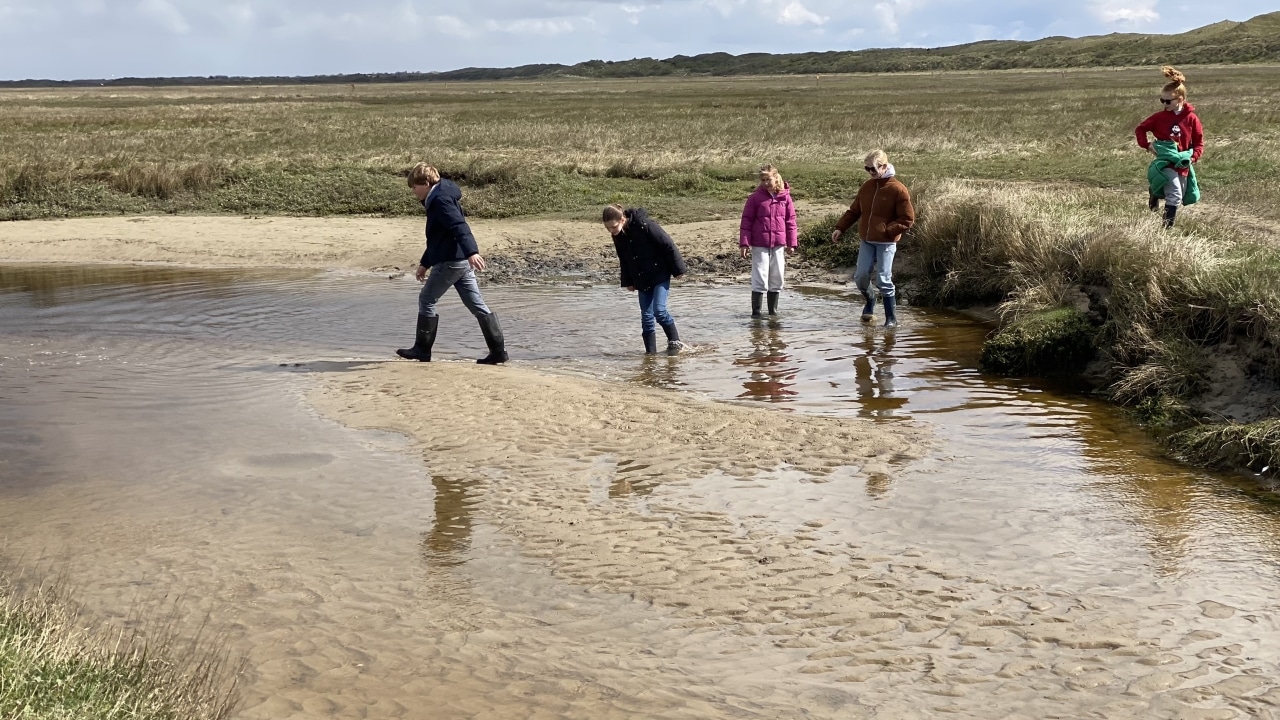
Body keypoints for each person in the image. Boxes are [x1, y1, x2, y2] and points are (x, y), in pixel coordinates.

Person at [396, 163, 508, 364]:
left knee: (427, 299)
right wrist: (425, 263)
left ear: (426, 183)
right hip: (460, 261)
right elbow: (440, 237)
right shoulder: (440, 195)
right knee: (476, 304)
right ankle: (498, 352)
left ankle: (422, 349)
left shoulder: (440, 201)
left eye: (414, 187)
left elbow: (459, 226)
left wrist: (472, 252)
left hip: (451, 261)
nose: (412, 191)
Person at [830, 150, 915, 327]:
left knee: (884, 279)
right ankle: (870, 300)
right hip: (867, 241)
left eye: (873, 169)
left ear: (884, 166)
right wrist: (840, 228)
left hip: (886, 242)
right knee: (860, 277)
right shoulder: (867, 187)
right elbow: (854, 211)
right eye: (867, 169)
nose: (870, 172)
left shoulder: (898, 189)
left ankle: (891, 319)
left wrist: (887, 231)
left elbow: (907, 219)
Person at [603, 204, 689, 355]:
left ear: (622, 219)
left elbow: (668, 245)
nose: (611, 231)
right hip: (641, 278)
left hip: (660, 273)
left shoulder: (645, 225)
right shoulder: (618, 236)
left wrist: (678, 270)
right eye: (608, 228)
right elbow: (623, 259)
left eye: (613, 226)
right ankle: (650, 355)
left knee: (659, 311)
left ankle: (675, 342)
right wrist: (628, 281)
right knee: (646, 318)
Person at [1135, 66, 1204, 228]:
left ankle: (1154, 192)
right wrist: (1147, 144)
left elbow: (1198, 142)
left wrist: (1193, 157)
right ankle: (1166, 230)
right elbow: (1140, 129)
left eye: (1168, 101)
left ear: (1180, 100)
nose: (1164, 104)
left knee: (1180, 194)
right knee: (1175, 195)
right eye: (1162, 100)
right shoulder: (1159, 117)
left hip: (1183, 161)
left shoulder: (1192, 119)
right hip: (1165, 161)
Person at [739, 164, 799, 317]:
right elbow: (746, 221)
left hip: (779, 243)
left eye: (768, 179)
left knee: (777, 275)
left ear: (776, 177)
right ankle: (756, 313)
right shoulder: (755, 198)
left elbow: (790, 221)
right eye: (763, 180)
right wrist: (744, 243)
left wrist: (792, 243)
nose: (766, 183)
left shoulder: (785, 198)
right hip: (760, 243)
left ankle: (773, 312)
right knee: (760, 275)